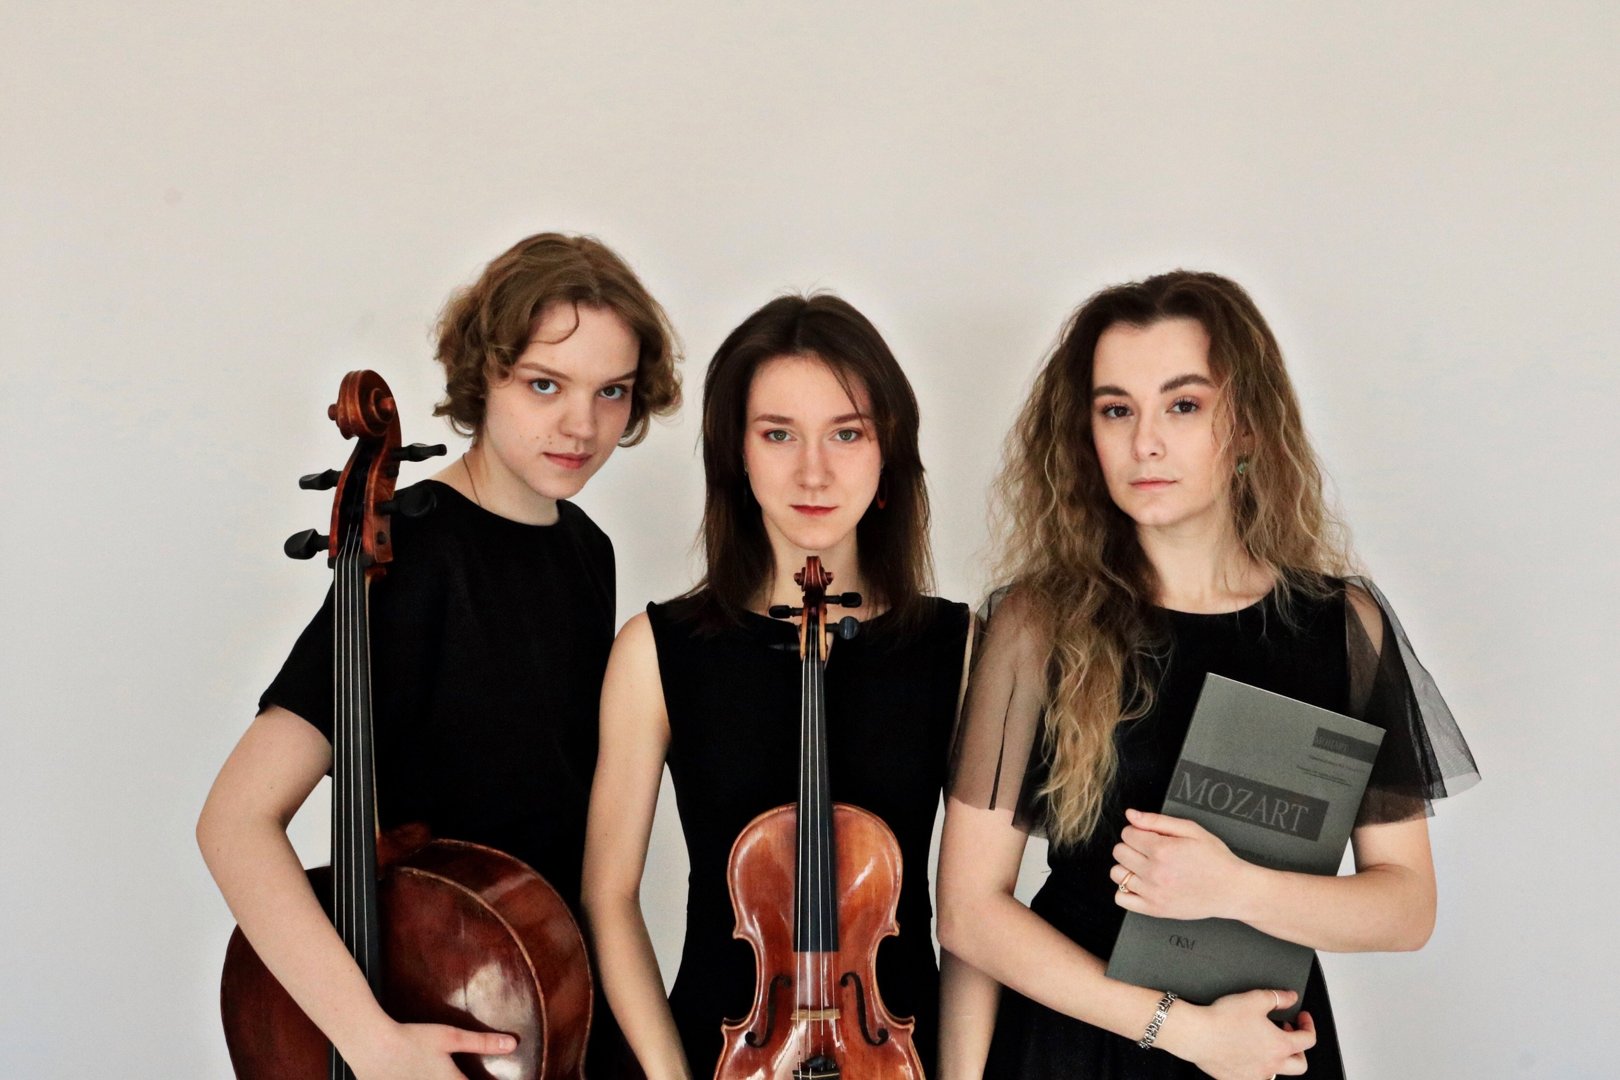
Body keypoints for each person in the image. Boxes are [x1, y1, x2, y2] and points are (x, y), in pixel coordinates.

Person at [937, 270, 1479, 1080]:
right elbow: (969, 912)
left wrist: (1232, 887)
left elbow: (1406, 907)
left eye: (1183, 405)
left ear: (1249, 425)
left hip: (1265, 1045)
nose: (1145, 442)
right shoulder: (1037, 623)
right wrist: (1182, 1032)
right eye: (1116, 410)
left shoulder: (1340, 625)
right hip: (1081, 1043)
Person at [196, 232, 681, 1080]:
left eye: (612, 391)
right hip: (449, 1001)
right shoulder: (414, 553)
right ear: (482, 376)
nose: (582, 425)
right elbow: (235, 821)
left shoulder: (585, 549)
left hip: (556, 998)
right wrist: (373, 1042)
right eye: (544, 384)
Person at [581, 293, 973, 1080]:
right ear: (738, 453)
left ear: (888, 449)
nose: (813, 471)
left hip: (900, 1054)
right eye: (778, 434)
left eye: (847, 433)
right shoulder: (655, 651)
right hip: (717, 1049)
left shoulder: (956, 648)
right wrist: (668, 1073)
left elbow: (973, 919)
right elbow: (608, 896)